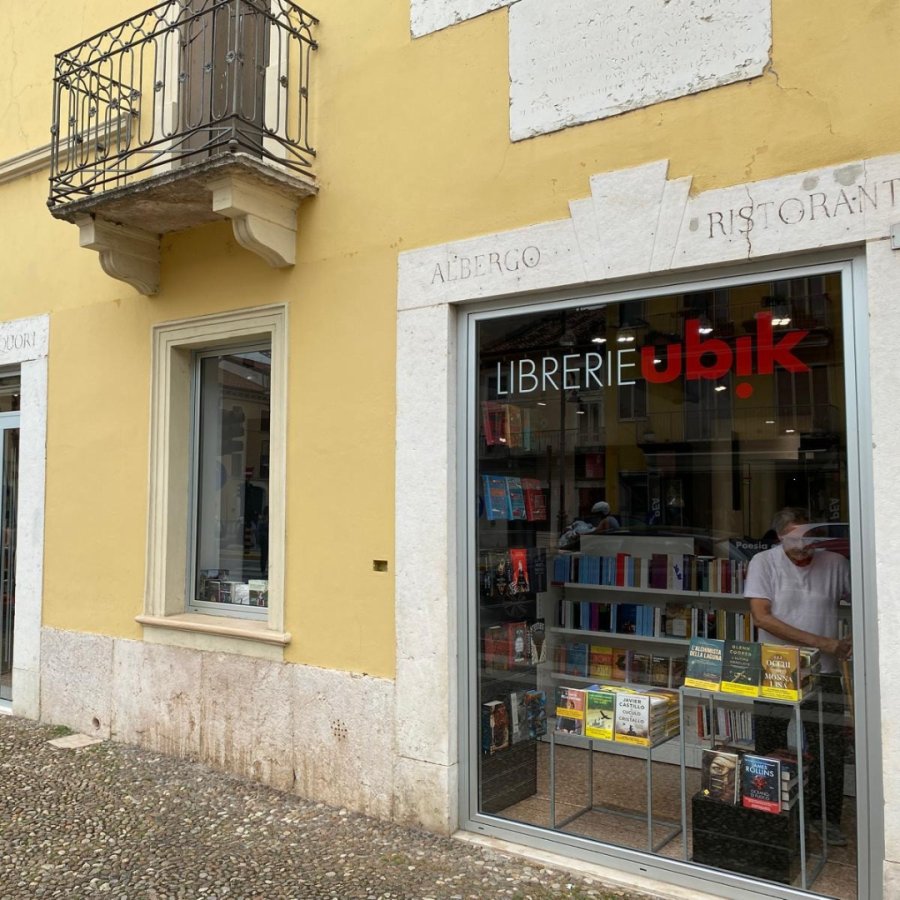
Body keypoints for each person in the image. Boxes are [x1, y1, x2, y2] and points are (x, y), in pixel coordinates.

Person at [745, 507, 851, 846]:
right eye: (796, 537)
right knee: (770, 743)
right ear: (780, 537)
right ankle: (770, 811)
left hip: (826, 672)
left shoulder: (835, 564)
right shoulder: (764, 563)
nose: (806, 544)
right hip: (775, 669)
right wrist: (825, 643)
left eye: (811, 536)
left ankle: (825, 818)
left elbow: (871, 602)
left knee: (827, 748)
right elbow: (762, 618)